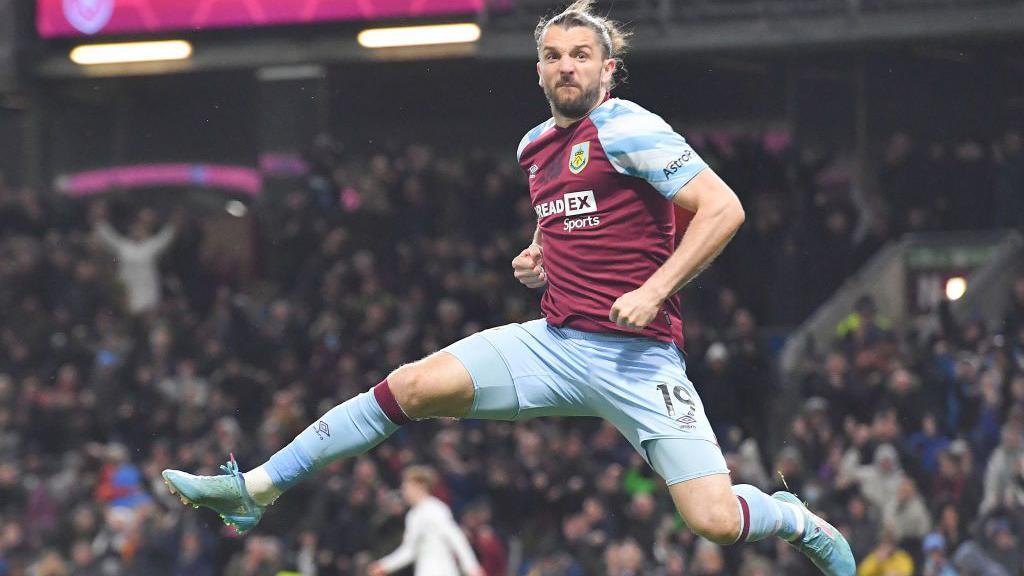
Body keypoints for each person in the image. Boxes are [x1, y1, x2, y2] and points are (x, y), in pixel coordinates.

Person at [161, 2, 855, 574]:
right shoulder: (533, 148)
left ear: (608, 69)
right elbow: (578, 216)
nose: (567, 66)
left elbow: (724, 208)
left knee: (712, 522)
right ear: (539, 70)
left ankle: (793, 517)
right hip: (554, 342)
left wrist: (652, 289)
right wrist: (540, 252)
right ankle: (255, 487)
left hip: (639, 357)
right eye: (554, 55)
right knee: (410, 386)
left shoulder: (629, 126)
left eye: (581, 54)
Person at [367, 466, 483, 576]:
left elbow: (455, 537)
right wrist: (384, 565)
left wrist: (472, 568)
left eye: (406, 486)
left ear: (419, 486)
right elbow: (409, 550)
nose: (404, 490)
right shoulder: (413, 515)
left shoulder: (435, 509)